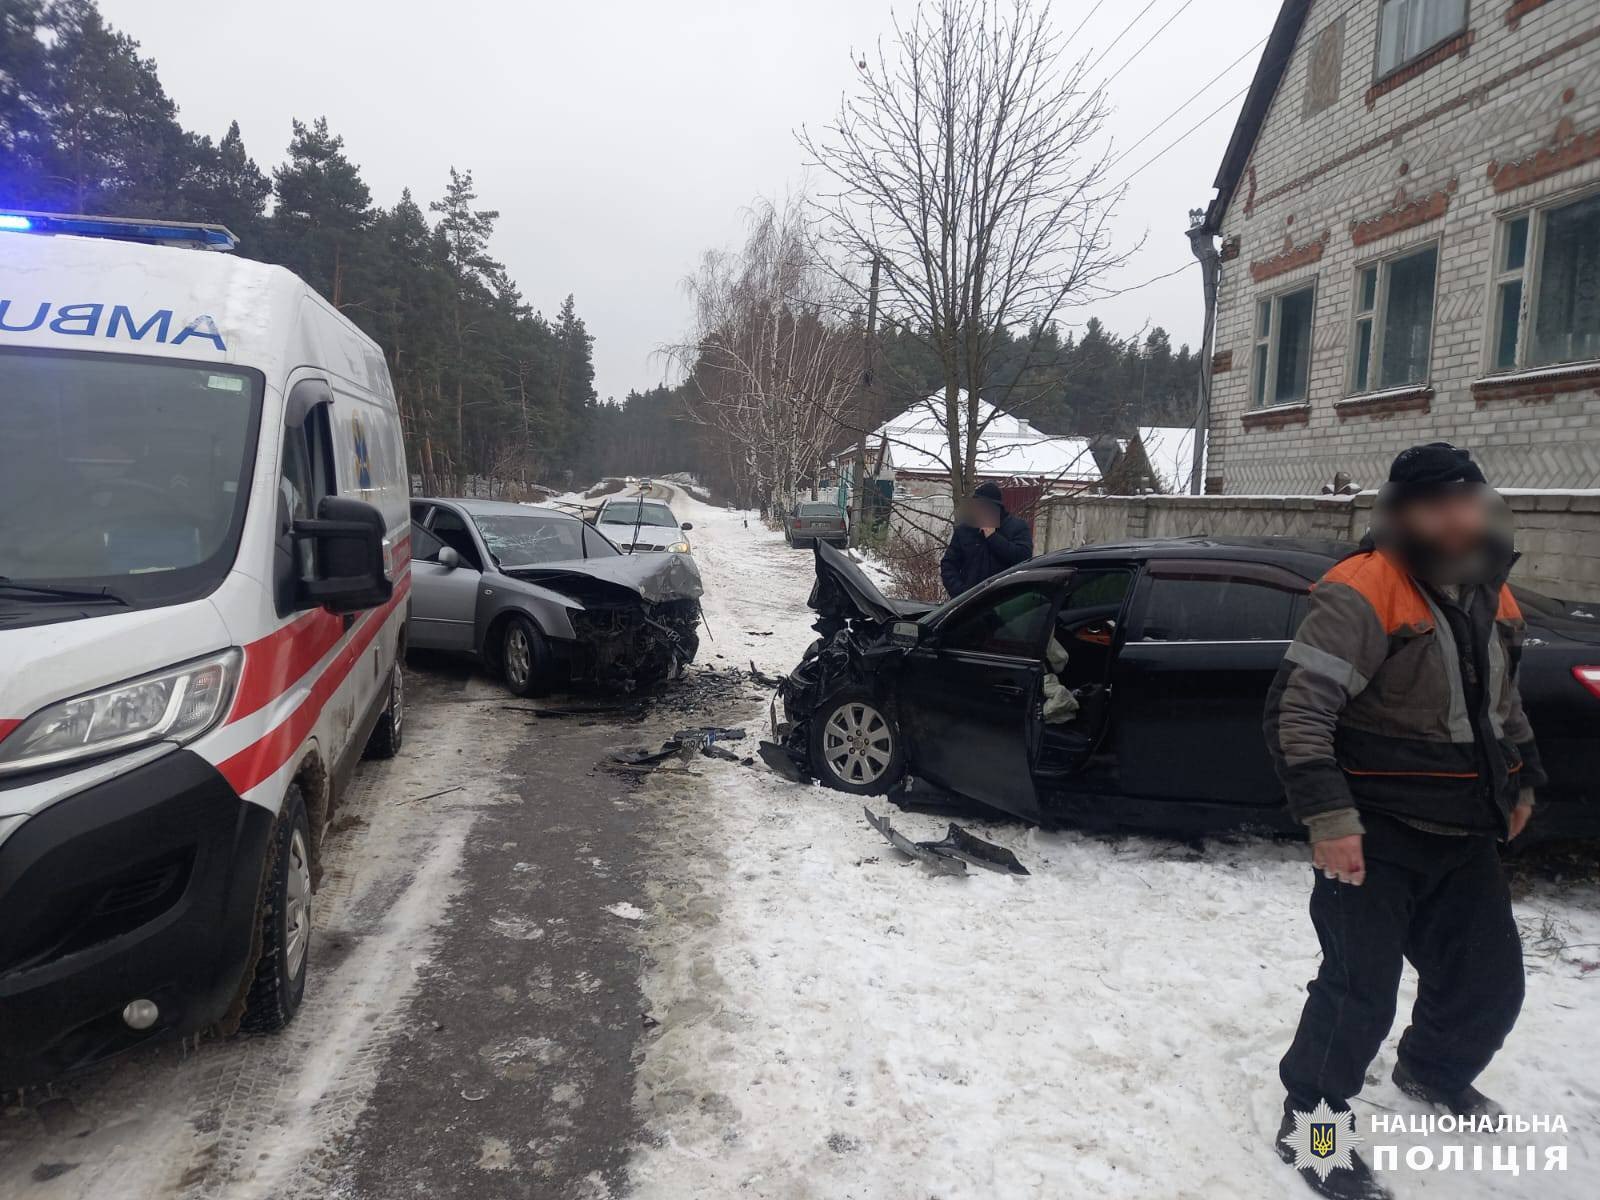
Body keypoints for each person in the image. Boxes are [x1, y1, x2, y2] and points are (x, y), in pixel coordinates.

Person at [1263, 443, 1542, 1200]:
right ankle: (1313, 1132)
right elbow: (1297, 714)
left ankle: (1432, 1070)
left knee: (1488, 983)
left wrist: (1524, 778)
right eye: (1438, 504)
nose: (1458, 518)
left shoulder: (1493, 591)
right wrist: (1329, 818)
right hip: (1372, 835)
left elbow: (1502, 705)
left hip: (1461, 831)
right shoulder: (1363, 592)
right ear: (1404, 511)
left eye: (1469, 501)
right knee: (1359, 993)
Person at [938, 481, 1033, 598]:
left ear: (997, 507)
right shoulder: (964, 530)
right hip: (968, 602)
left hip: (1004, 601)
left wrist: (993, 537)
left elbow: (1024, 559)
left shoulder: (1016, 527)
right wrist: (960, 592)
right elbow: (949, 564)